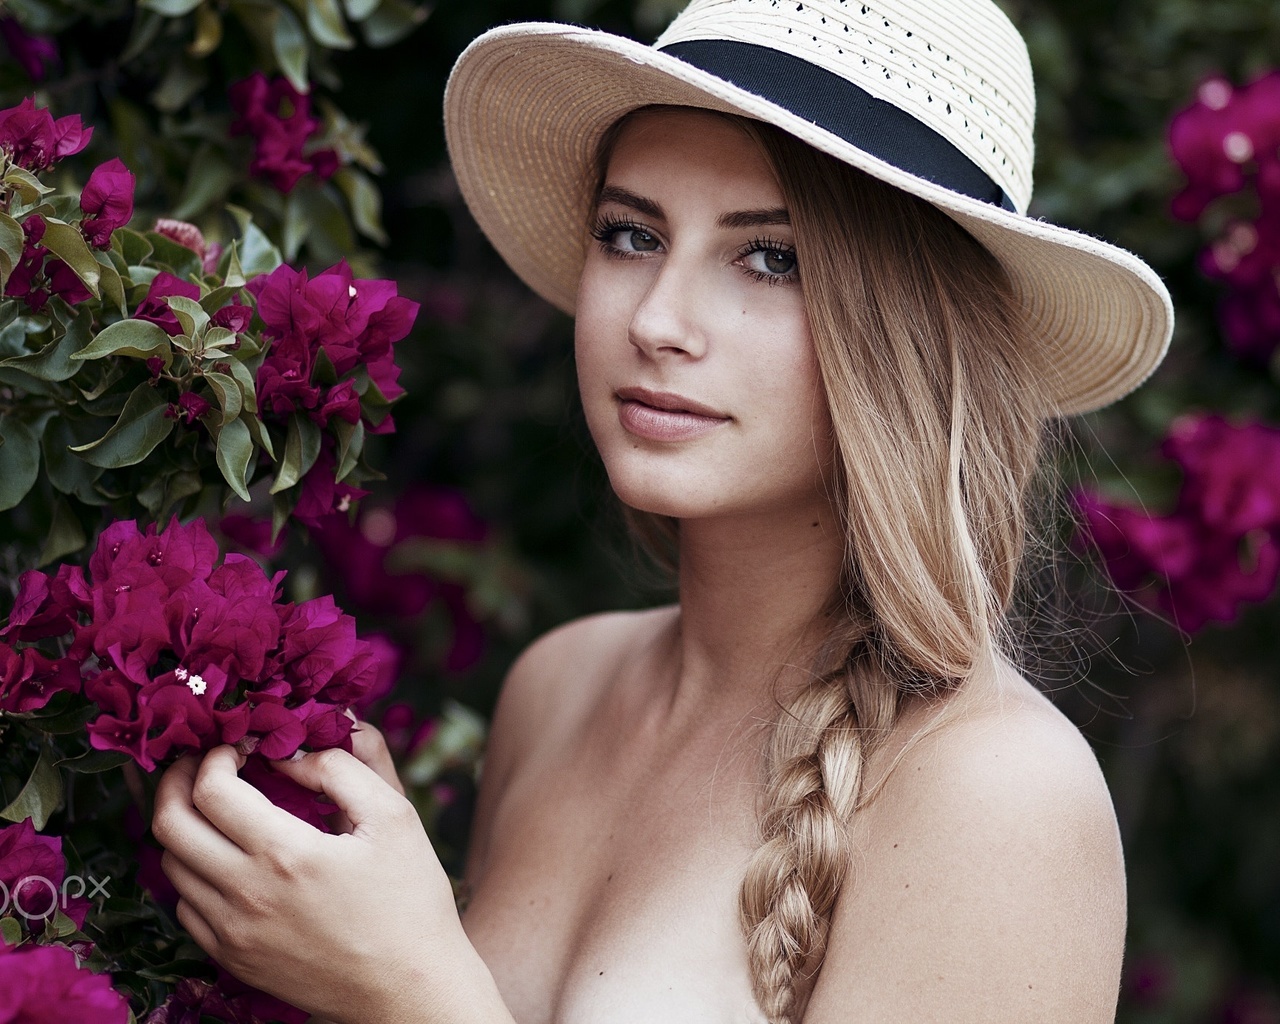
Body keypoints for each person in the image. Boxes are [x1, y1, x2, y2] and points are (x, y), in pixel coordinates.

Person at [150, 1, 1175, 1022]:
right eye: (630, 234)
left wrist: (406, 987)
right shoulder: (559, 691)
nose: (655, 321)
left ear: (909, 337)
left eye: (770, 257)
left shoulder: (996, 793)